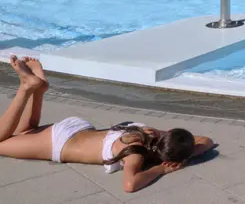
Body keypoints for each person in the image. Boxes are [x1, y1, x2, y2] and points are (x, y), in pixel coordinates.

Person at [0, 56, 215, 194]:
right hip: (60, 143)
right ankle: (26, 88)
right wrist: (162, 169)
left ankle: (38, 91)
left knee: (23, 133)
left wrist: (180, 147)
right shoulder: (135, 155)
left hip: (78, 129)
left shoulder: (150, 132)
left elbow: (206, 140)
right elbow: (130, 185)